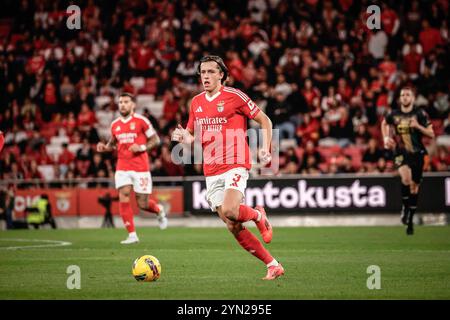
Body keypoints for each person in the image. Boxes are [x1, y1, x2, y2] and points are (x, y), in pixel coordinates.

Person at [171, 55, 284, 280]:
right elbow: (192, 134)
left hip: (235, 162)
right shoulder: (196, 102)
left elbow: (265, 120)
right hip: (211, 170)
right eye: (202, 72)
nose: (206, 76)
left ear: (221, 74)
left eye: (211, 72)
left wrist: (265, 147)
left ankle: (257, 215)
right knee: (232, 225)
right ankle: (273, 265)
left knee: (233, 210)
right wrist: (185, 136)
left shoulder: (234, 96)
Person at [97, 92, 168, 244]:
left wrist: (141, 147)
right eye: (121, 102)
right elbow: (113, 143)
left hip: (140, 167)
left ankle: (158, 210)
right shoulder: (114, 124)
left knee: (142, 204)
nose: (123, 104)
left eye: (126, 102)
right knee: (124, 194)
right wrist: (105, 147)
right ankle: (132, 235)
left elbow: (155, 140)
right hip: (122, 166)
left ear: (133, 105)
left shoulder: (142, 121)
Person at [381, 86, 435, 235]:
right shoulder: (394, 114)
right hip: (400, 152)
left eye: (407, 95)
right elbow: (384, 123)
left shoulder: (420, 113)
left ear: (413, 98)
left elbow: (431, 134)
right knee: (405, 178)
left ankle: (410, 218)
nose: (405, 97)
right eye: (403, 95)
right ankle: (405, 208)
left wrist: (418, 126)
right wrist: (386, 138)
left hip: (417, 153)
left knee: (414, 187)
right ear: (400, 98)